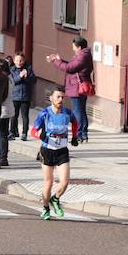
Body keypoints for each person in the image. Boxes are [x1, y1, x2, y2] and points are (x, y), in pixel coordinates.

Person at [30, 87, 79, 220]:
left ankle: (55, 199)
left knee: (64, 182)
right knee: (48, 182)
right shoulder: (45, 113)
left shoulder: (67, 113)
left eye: (62, 97)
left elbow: (75, 122)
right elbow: (33, 130)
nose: (61, 100)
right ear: (51, 98)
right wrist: (39, 135)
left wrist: (75, 136)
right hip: (47, 151)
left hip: (62, 151)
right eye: (58, 97)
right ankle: (45, 208)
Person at [48, 37, 94, 143]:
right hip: (79, 86)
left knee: (77, 111)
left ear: (79, 47)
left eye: (74, 46)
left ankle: (79, 134)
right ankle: (83, 134)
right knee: (81, 110)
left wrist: (56, 61)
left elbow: (70, 68)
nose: (73, 48)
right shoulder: (84, 55)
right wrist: (61, 60)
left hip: (77, 87)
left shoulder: (82, 56)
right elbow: (72, 65)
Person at [9, 52, 36, 140]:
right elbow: (12, 81)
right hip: (15, 96)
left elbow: (34, 81)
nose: (19, 62)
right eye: (17, 60)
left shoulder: (28, 69)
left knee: (25, 116)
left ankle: (24, 133)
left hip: (25, 96)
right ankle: (12, 132)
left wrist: (26, 76)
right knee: (14, 115)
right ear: (14, 60)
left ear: (24, 61)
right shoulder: (12, 69)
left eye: (21, 60)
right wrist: (20, 76)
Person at [0, 56, 15, 168]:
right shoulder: (10, 77)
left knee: (1, 134)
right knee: (4, 133)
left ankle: (2, 157)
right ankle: (3, 157)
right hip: (8, 108)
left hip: (2, 109)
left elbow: (1, 95)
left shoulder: (2, 79)